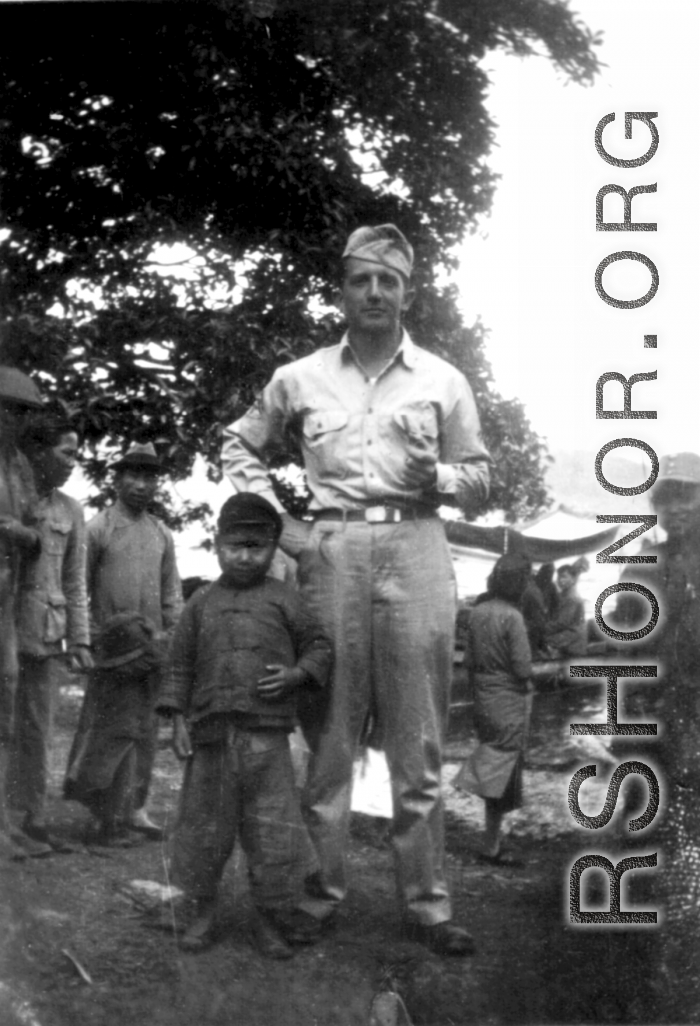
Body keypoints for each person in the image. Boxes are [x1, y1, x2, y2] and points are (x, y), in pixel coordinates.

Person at [221, 224, 490, 955]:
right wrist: (283, 527)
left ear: (408, 292)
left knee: (421, 738)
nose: (375, 293)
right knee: (330, 734)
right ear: (342, 290)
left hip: (419, 546)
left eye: (389, 281)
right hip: (332, 550)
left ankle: (429, 905)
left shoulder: (443, 379)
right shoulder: (300, 376)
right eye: (360, 280)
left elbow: (479, 473)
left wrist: (441, 476)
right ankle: (319, 895)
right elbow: (239, 443)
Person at [157, 494, 332, 958]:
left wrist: (298, 674)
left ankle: (268, 918)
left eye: (256, 546)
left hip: (267, 740)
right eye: (234, 545)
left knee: (272, 834)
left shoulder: (286, 600)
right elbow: (178, 665)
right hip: (210, 738)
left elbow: (319, 646)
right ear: (217, 545)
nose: (244, 556)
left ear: (275, 546)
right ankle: (201, 910)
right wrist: (176, 718)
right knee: (203, 829)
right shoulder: (201, 602)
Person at [609, 452, 700, 1020]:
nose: (675, 507)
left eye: (686, 495)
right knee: (642, 839)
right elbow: (624, 650)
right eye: (666, 496)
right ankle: (640, 978)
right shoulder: (639, 569)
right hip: (653, 723)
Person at [66, 441, 182, 839]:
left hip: (151, 649)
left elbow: (172, 594)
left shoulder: (161, 534)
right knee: (110, 729)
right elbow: (77, 585)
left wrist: (171, 635)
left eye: (149, 477)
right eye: (133, 475)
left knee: (145, 731)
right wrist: (87, 637)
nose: (140, 485)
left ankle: (135, 808)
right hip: (112, 648)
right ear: (118, 479)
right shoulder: (99, 528)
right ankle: (102, 814)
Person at [7, 410, 92, 853]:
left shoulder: (71, 510)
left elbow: (76, 580)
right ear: (39, 450)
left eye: (76, 453)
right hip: (7, 626)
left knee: (39, 728)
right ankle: (8, 823)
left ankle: (33, 817)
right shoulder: (11, 497)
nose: (74, 461)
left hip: (45, 632)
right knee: (6, 727)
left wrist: (79, 639)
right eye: (67, 452)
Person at [453, 553, 533, 865]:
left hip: (483, 697)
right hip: (508, 698)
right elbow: (522, 667)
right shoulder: (512, 617)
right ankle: (491, 844)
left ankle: (492, 838)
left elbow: (469, 661)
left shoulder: (478, 612)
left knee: (492, 758)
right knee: (503, 767)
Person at [64, 612, 162, 845]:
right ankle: (108, 827)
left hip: (120, 725)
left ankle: (106, 823)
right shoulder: (147, 664)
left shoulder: (108, 671)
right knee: (114, 774)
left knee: (112, 770)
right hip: (126, 725)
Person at [0, 366, 44, 860]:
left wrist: (18, 533)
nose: (14, 419)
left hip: (6, 603)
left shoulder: (19, 465)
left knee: (6, 708)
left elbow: (35, 530)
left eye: (21, 412)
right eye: (8, 409)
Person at [544, 563, 587, 657]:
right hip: (569, 634)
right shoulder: (564, 594)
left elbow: (562, 622)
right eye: (558, 577)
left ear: (573, 579)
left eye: (564, 577)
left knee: (542, 640)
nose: (560, 580)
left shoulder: (572, 597)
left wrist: (542, 628)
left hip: (573, 639)